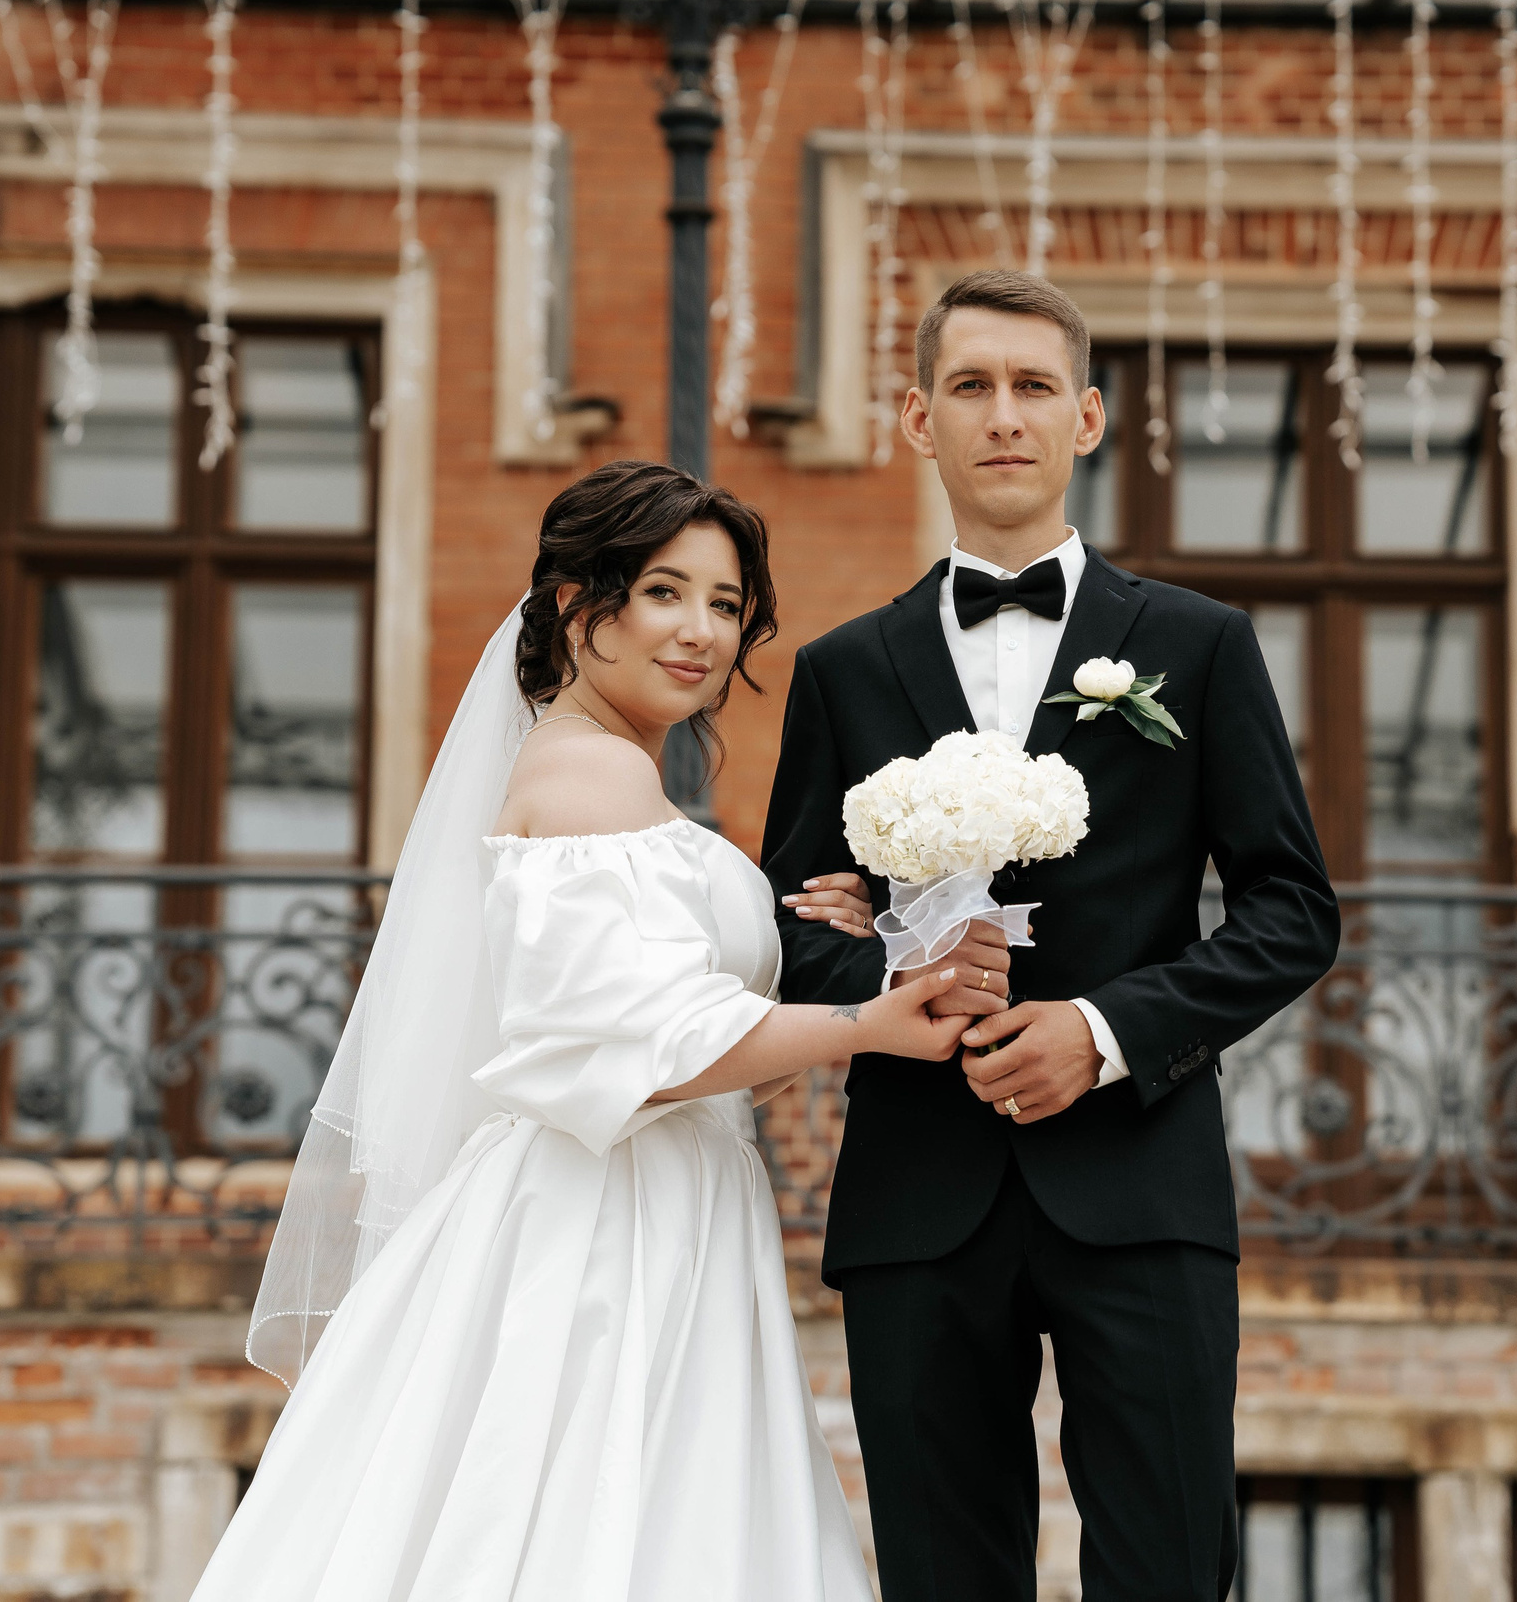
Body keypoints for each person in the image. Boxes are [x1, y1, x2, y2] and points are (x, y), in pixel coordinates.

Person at [196, 461, 958, 1602]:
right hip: (605, 1223)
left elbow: (654, 990)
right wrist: (868, 1023)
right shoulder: (590, 777)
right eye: (664, 592)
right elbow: (638, 1049)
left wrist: (808, 920)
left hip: (663, 1202)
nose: (701, 630)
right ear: (573, 604)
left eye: (724, 602)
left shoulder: (614, 777)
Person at [762, 269, 1343, 1601]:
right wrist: (896, 980)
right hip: (920, 1191)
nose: (1003, 416)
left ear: (1087, 418)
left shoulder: (1196, 647)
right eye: (970, 387)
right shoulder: (845, 668)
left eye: (1033, 388)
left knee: (1168, 1570)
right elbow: (792, 922)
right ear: (919, 419)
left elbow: (1292, 908)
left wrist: (1104, 1029)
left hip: (1142, 1185)